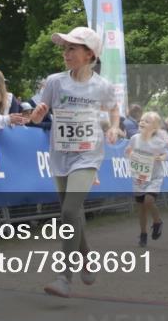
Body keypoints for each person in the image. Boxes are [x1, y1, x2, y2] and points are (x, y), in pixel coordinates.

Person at [29, 26, 120, 298]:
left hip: (88, 153)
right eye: (65, 48)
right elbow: (35, 118)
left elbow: (114, 109)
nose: (66, 53)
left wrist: (114, 127)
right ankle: (87, 258)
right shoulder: (55, 82)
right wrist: (38, 113)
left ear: (89, 54)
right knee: (73, 212)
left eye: (72, 48)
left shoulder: (101, 86)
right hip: (60, 154)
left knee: (69, 211)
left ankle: (65, 277)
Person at [125, 111, 168, 247]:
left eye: (147, 121)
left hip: (154, 177)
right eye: (142, 120)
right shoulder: (134, 138)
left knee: (148, 201)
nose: (142, 122)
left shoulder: (158, 141)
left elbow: (166, 153)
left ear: (155, 128)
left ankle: (157, 221)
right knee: (141, 208)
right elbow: (128, 151)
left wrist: (161, 158)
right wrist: (131, 155)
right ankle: (143, 234)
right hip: (139, 178)